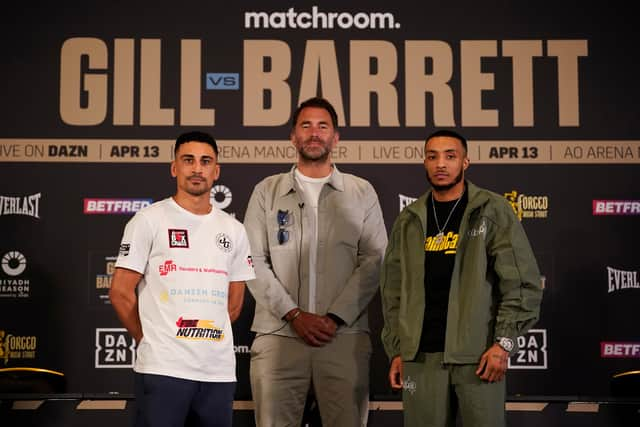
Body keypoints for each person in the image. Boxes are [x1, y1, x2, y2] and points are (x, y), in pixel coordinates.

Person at [379, 130, 543, 427]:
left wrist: (503, 345)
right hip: (421, 359)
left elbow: (521, 283)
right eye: (432, 156)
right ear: (424, 163)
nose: (441, 164)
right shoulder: (409, 220)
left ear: (466, 162)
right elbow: (393, 294)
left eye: (450, 156)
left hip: (477, 359)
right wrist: (399, 350)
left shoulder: (492, 210)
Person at [243, 97, 388, 427]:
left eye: (323, 126)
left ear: (336, 138)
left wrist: (335, 318)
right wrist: (293, 315)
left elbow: (375, 259)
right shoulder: (266, 191)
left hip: (343, 338)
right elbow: (251, 260)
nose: (314, 133)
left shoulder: (361, 191)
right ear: (293, 136)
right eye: (305, 125)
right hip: (278, 336)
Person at [109, 131, 255, 427]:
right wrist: (150, 341)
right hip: (163, 370)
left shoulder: (234, 229)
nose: (197, 169)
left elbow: (235, 303)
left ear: (216, 171)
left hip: (218, 373)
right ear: (175, 167)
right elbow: (121, 292)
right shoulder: (148, 220)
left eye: (205, 161)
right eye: (188, 160)